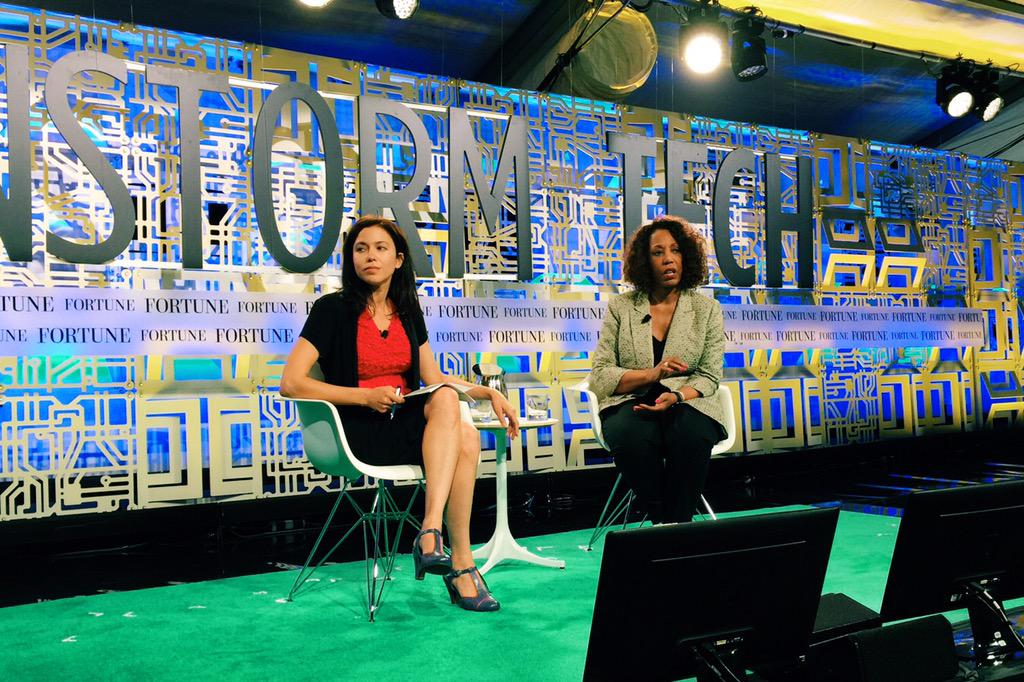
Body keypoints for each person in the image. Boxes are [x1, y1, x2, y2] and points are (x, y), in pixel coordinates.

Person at [280, 215, 519, 612]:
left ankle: (433, 536)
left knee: (449, 404)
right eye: (360, 249)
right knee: (465, 433)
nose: (369, 256)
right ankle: (457, 562)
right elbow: (291, 382)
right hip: (356, 427)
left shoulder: (408, 311)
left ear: (398, 260)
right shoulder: (331, 309)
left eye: (379, 249)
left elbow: (433, 377)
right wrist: (363, 397)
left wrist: (486, 394)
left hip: (404, 423)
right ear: (351, 259)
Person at [589, 216, 728, 524]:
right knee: (628, 436)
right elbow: (600, 374)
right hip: (631, 398)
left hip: (686, 401)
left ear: (686, 257)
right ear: (644, 261)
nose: (668, 259)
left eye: (675, 250)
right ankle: (662, 520)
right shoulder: (621, 307)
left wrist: (677, 396)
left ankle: (675, 526)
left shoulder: (706, 310)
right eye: (658, 252)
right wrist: (653, 374)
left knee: (691, 435)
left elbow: (708, 375)